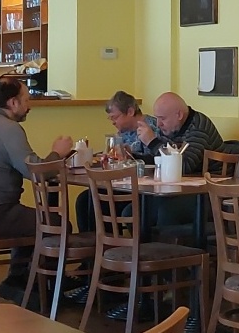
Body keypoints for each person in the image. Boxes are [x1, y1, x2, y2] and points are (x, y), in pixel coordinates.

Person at [0, 78, 72, 303]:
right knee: (56, 224)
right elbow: (35, 172)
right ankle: (43, 290)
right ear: (12, 103)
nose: (30, 106)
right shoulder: (8, 128)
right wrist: (58, 153)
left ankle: (19, 280)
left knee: (30, 219)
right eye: (26, 100)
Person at [75, 91, 163, 233]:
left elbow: (156, 160)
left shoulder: (152, 128)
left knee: (98, 200)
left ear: (130, 112)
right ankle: (95, 243)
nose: (113, 122)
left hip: (144, 189)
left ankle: (110, 242)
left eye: (115, 117)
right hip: (123, 185)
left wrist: (129, 157)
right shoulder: (122, 132)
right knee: (85, 200)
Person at [141, 92, 224, 238]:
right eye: (157, 118)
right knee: (133, 210)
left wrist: (152, 142)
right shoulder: (171, 128)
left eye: (162, 118)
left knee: (166, 211)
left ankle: (170, 251)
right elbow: (158, 159)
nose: (158, 124)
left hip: (207, 193)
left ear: (179, 115)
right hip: (181, 189)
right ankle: (145, 250)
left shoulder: (198, 127)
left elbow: (183, 166)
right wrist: (135, 157)